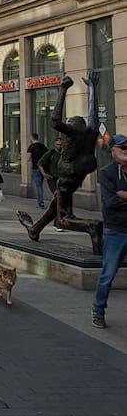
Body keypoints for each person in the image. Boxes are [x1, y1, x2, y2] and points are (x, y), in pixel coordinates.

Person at [17, 72, 102, 251]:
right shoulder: (91, 131)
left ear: (71, 124)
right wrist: (93, 88)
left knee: (62, 217)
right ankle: (35, 229)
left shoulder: (72, 133)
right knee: (58, 201)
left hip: (68, 174)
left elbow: (55, 121)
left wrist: (63, 89)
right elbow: (94, 114)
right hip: (81, 172)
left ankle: (92, 227)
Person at [92, 133, 127, 328]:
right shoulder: (107, 172)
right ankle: (98, 308)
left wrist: (124, 195)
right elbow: (111, 202)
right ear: (113, 152)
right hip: (116, 230)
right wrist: (118, 198)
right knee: (108, 274)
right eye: (122, 148)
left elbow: (118, 199)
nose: (126, 151)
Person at [27, 132, 48, 208]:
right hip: (43, 168)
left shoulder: (31, 147)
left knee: (39, 186)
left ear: (32, 138)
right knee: (41, 186)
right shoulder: (43, 146)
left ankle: (41, 203)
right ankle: (41, 202)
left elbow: (28, 158)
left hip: (36, 168)